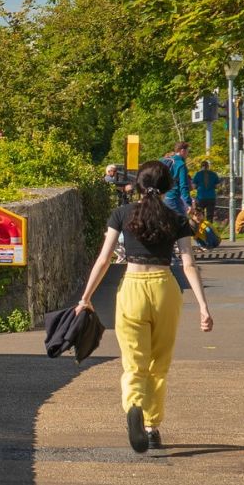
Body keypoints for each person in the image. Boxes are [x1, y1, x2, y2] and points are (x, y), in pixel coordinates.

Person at [74, 159, 212, 453]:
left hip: (133, 286)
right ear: (167, 187)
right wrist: (202, 305)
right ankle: (151, 428)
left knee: (134, 361)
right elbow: (188, 264)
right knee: (159, 364)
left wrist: (86, 298)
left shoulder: (121, 214)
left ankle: (133, 405)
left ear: (137, 184)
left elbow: (104, 259)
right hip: (165, 288)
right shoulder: (176, 219)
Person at [162, 141, 192, 215]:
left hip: (163, 198)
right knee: (182, 223)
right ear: (182, 151)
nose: (188, 154)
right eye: (187, 151)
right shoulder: (181, 165)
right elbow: (184, 185)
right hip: (174, 198)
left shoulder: (165, 161)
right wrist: (188, 203)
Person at [192, 157, 220, 223]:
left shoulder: (198, 174)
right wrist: (212, 186)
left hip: (201, 197)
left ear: (201, 167)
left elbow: (193, 186)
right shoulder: (214, 174)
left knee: (200, 214)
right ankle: (209, 230)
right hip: (211, 197)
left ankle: (201, 229)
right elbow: (217, 186)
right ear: (208, 166)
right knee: (210, 216)